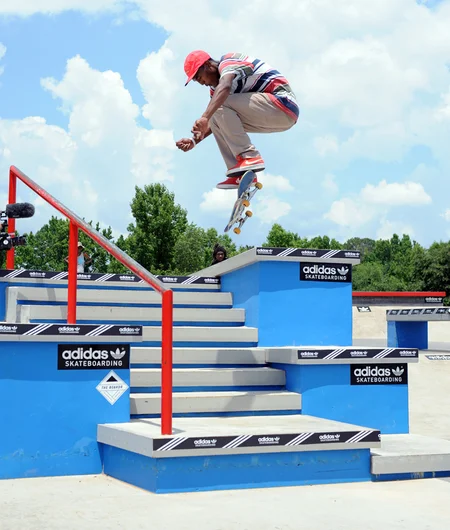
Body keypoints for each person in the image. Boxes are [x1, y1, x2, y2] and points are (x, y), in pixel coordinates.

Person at [176, 51, 299, 190]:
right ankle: (240, 172)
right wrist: (194, 141)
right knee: (216, 113)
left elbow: (225, 87)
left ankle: (250, 157)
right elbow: (220, 119)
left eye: (199, 77)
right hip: (272, 116)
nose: (200, 83)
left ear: (208, 65)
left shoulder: (229, 62)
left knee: (216, 105)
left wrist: (205, 117)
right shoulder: (217, 90)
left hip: (282, 104)